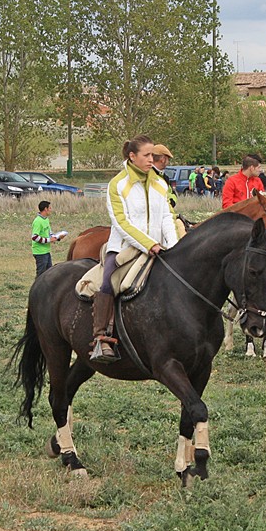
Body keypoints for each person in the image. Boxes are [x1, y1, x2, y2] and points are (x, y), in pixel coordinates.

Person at [91, 135, 178, 363]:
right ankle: (101, 337)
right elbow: (121, 223)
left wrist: (175, 247)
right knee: (108, 281)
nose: (151, 159)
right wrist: (149, 244)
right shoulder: (118, 184)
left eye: (153, 155)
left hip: (159, 248)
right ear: (132, 156)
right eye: (147, 155)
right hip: (123, 248)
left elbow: (167, 217)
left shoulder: (160, 183)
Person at [30, 200, 65, 277]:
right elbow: (34, 237)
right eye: (50, 208)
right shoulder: (38, 221)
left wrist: (58, 237)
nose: (51, 210)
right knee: (41, 275)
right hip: (40, 252)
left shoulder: (46, 219)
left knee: (49, 274)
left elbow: (49, 234)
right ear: (45, 209)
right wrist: (49, 240)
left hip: (46, 251)